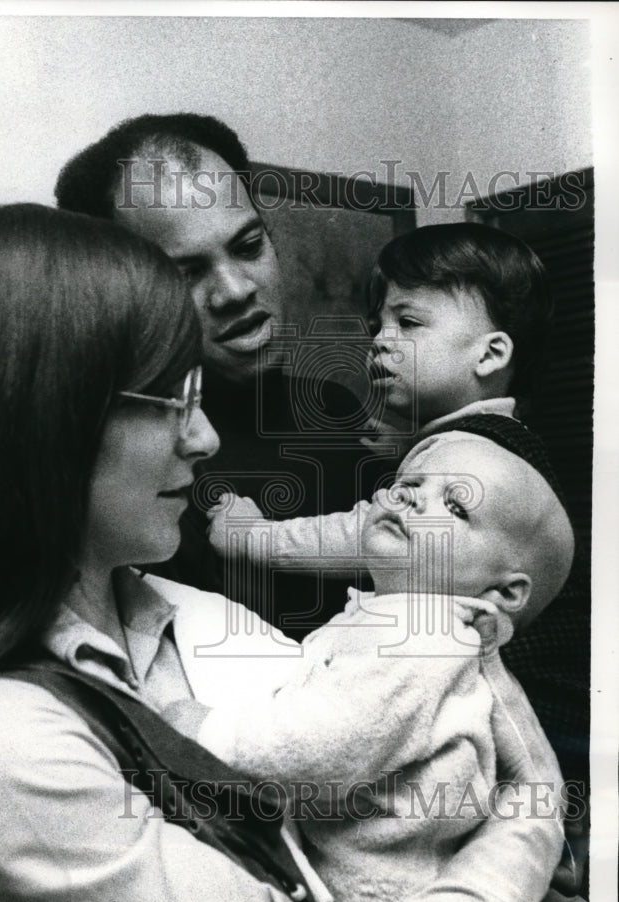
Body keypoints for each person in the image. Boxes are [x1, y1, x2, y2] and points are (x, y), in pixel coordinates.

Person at [0, 201, 565, 902]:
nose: (205, 438)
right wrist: (526, 830)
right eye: (170, 399)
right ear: (41, 419)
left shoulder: (196, 621)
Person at [207, 223, 591, 806]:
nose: (380, 342)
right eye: (377, 326)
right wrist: (405, 449)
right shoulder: (487, 443)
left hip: (535, 722)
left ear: (491, 353)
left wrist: (253, 536)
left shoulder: (465, 455)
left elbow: (368, 536)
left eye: (408, 323)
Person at [164, 432, 575, 902]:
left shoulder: (423, 638)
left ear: (504, 591)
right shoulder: (413, 625)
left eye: (455, 506)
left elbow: (324, 743)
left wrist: (203, 730)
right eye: (411, 484)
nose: (413, 500)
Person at [54, 113, 372, 639]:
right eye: (188, 273)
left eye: (248, 247)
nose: (235, 291)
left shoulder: (337, 408)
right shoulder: (135, 470)